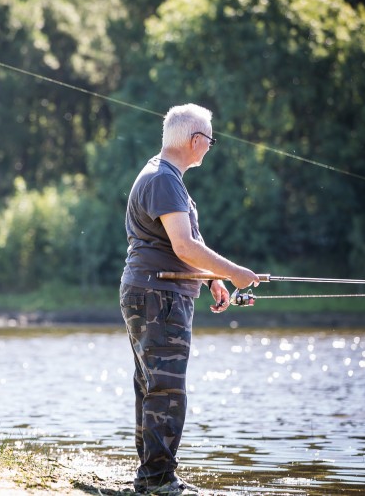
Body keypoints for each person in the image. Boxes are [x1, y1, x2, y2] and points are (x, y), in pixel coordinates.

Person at [119, 103, 260, 495]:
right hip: (157, 296)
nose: (210, 147)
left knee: (152, 386)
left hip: (153, 293)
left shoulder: (164, 176)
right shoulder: (164, 179)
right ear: (196, 140)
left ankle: (152, 475)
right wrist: (234, 273)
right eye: (210, 140)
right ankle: (158, 480)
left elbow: (184, 245)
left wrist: (213, 277)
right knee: (166, 389)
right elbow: (183, 245)